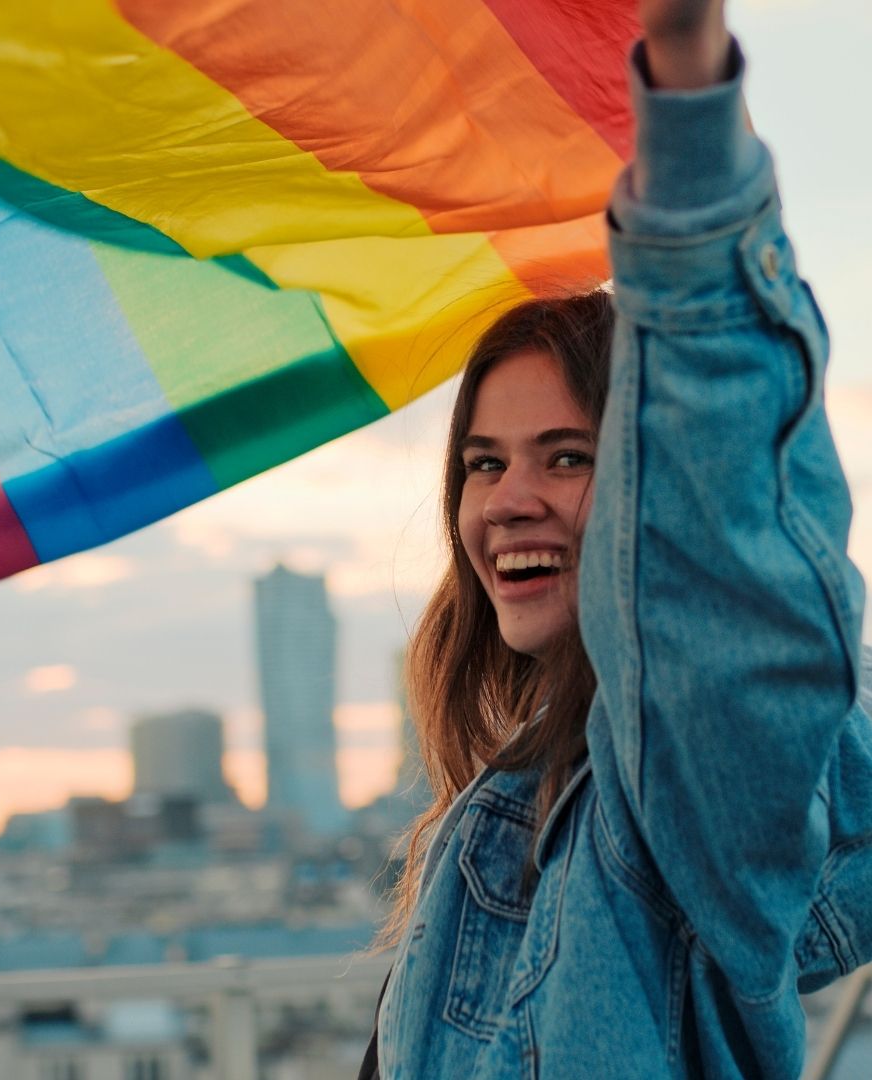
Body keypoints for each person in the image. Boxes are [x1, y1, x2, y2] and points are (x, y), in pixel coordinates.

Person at [361, 1, 872, 1076]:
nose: (507, 499)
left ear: (650, 501)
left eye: (567, 455)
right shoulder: (509, 803)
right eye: (484, 462)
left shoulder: (669, 792)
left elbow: (726, 562)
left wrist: (686, 87)